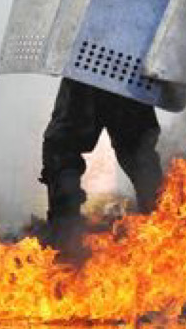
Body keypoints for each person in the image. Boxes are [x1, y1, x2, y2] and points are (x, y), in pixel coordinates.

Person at [38, 78, 163, 253]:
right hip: (105, 74)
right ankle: (65, 238)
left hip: (116, 74)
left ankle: (160, 230)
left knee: (139, 154)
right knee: (139, 154)